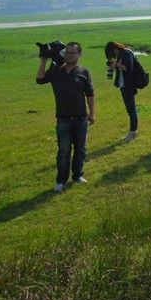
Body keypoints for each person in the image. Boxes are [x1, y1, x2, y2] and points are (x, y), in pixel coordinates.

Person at [36, 42, 95, 192]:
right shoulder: (56, 71)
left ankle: (77, 175)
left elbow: (90, 94)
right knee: (63, 151)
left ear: (79, 55)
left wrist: (92, 113)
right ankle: (61, 181)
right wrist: (43, 60)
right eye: (67, 53)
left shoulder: (84, 72)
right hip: (63, 118)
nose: (69, 55)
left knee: (81, 150)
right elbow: (40, 79)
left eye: (72, 53)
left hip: (81, 118)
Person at [104, 41, 140, 142]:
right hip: (123, 85)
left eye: (112, 54)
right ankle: (132, 132)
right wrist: (115, 65)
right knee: (130, 109)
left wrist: (117, 64)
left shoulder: (126, 53)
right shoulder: (122, 54)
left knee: (131, 109)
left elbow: (128, 68)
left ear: (115, 49)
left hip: (128, 85)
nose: (113, 55)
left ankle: (133, 132)